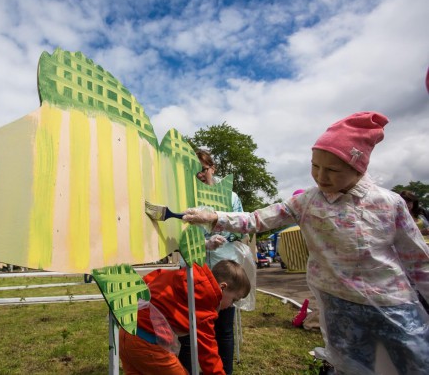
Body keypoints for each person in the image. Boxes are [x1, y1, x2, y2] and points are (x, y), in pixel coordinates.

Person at [184, 112, 429, 374]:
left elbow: (416, 259)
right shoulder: (308, 201)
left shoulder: (389, 203)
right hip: (338, 305)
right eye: (315, 166)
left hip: (393, 305)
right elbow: (257, 219)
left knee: (415, 362)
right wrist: (214, 217)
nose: (321, 176)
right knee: (351, 366)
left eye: (332, 169)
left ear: (359, 167)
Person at [178, 149, 253, 375]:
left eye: (202, 170)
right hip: (195, 267)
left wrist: (222, 237)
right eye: (193, 171)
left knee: (223, 329)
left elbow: (241, 226)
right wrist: (203, 243)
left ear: (213, 168)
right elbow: (179, 230)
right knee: (189, 327)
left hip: (224, 268)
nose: (199, 175)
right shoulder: (185, 195)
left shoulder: (230, 196)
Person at [119, 260, 251, 375]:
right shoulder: (204, 304)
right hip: (148, 344)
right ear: (222, 287)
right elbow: (208, 353)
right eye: (234, 299)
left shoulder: (187, 274)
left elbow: (152, 277)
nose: (231, 305)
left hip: (125, 333)